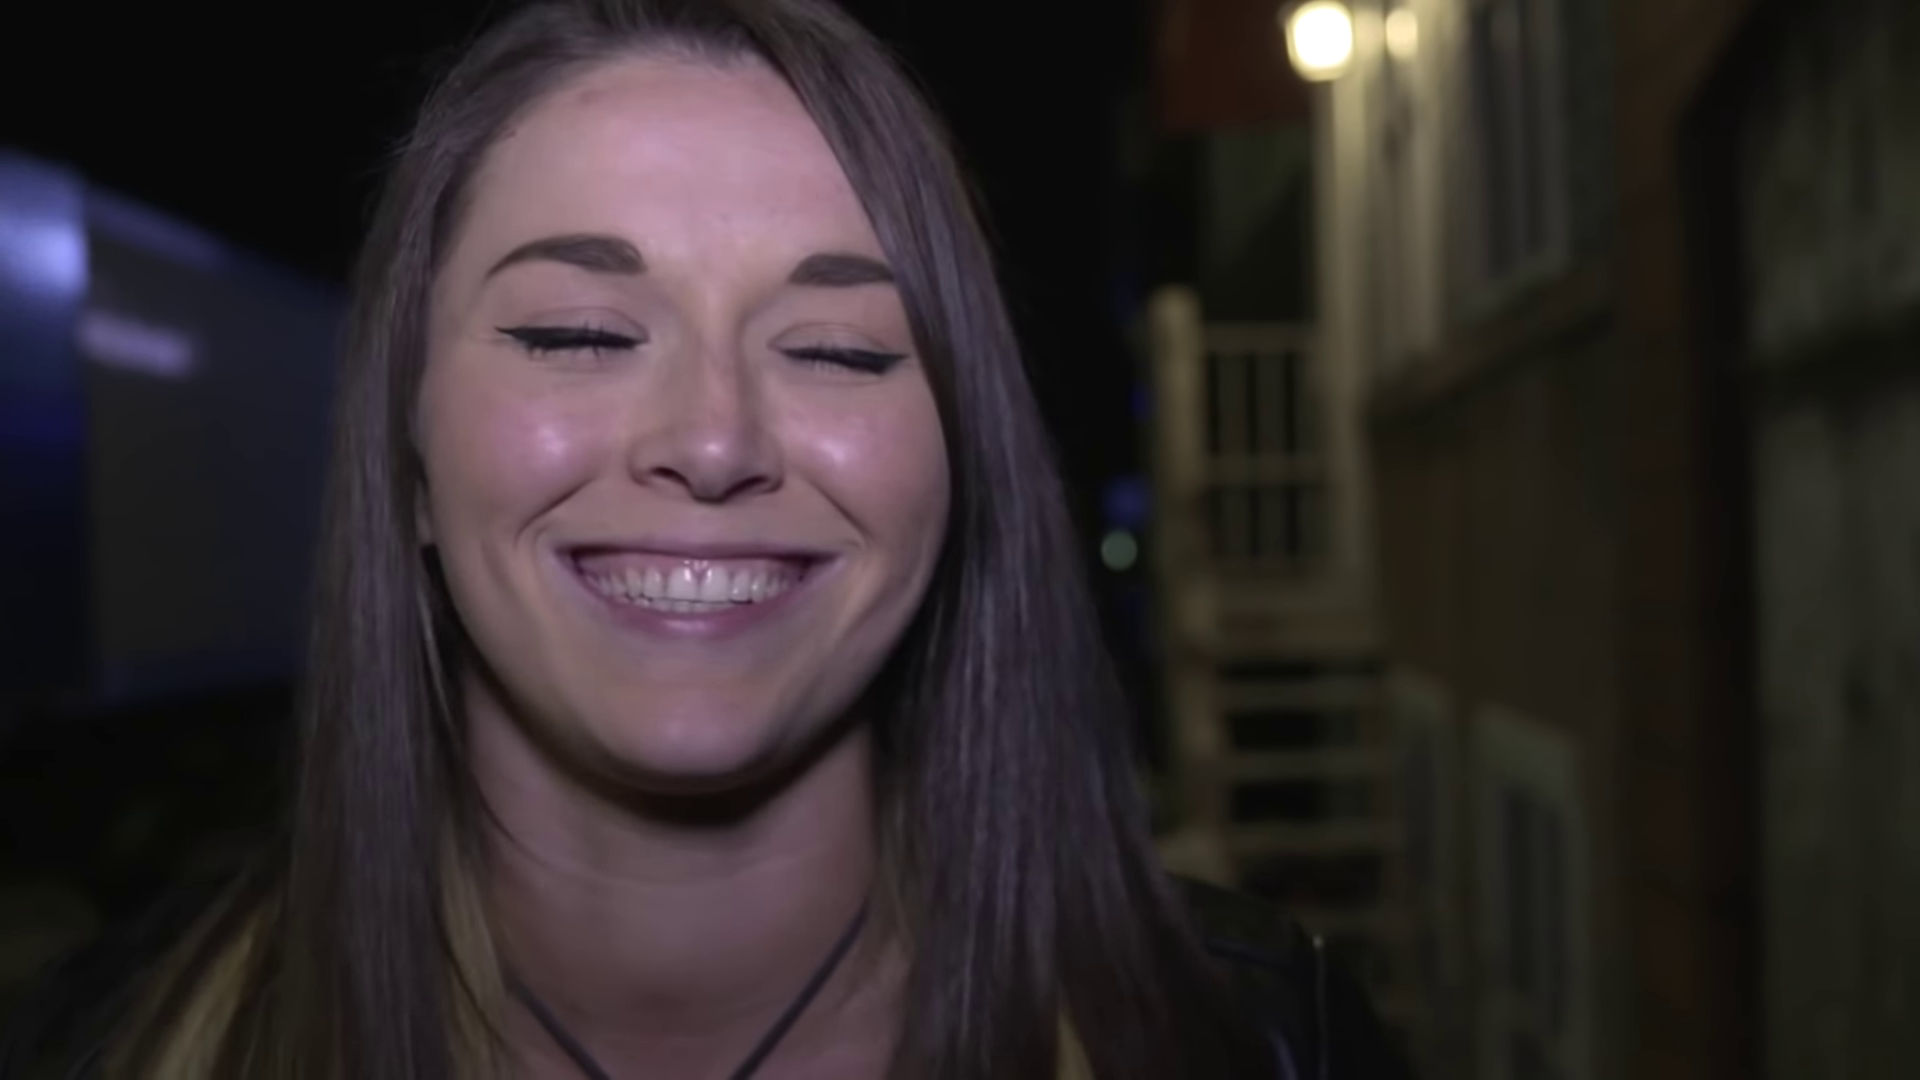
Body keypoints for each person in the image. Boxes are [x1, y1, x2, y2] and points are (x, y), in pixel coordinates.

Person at [1, 1, 1416, 1077]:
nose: (716, 439)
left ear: (959, 460)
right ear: (410, 460)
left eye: (838, 348)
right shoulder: (101, 1043)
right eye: (577, 334)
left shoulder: (1261, 1040)